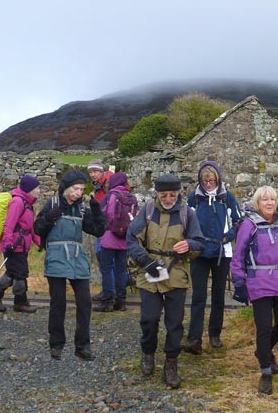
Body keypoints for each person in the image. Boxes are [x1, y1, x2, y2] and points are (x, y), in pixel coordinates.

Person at [127, 173, 205, 388]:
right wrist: (145, 261)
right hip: (148, 274)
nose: (168, 198)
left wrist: (189, 244)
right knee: (149, 319)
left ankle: (171, 362)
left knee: (175, 323)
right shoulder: (148, 210)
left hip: (176, 275)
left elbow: (200, 242)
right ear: (157, 193)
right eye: (164, 194)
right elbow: (132, 239)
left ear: (178, 193)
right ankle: (148, 353)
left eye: (172, 194)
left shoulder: (187, 213)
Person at [230, 185, 278, 395]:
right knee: (263, 327)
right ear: (257, 203)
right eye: (264, 200)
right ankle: (265, 372)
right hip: (259, 283)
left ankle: (263, 351)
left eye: (272, 199)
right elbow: (238, 257)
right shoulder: (249, 225)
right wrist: (239, 283)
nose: (270, 203)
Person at [34, 170, 106, 361]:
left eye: (82, 189)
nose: (79, 193)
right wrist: (49, 218)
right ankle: (56, 344)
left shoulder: (82, 209)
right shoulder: (53, 204)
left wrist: (98, 211)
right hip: (56, 256)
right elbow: (38, 229)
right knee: (58, 303)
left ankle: (82, 346)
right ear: (66, 188)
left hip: (77, 257)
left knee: (85, 302)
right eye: (75, 188)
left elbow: (98, 231)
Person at [183, 161, 242, 354]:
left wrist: (229, 236)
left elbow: (238, 221)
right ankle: (194, 339)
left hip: (221, 252)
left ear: (218, 179)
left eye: (211, 180)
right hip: (199, 253)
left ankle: (215, 335)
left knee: (218, 296)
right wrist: (191, 241)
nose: (208, 184)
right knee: (198, 296)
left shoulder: (227, 197)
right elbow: (185, 221)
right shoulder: (194, 198)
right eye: (204, 180)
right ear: (200, 180)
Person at [0, 175, 42, 313]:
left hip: (21, 244)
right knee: (21, 273)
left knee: (13, 273)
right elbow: (9, 225)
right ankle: (20, 302)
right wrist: (8, 244)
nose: (39, 190)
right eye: (37, 188)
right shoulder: (18, 202)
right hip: (14, 245)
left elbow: (30, 227)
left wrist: (39, 242)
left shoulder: (28, 204)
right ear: (29, 189)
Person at [93, 172, 133, 312]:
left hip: (109, 238)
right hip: (124, 240)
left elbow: (101, 215)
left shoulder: (109, 196)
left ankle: (107, 301)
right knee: (121, 270)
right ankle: (121, 301)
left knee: (107, 268)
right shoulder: (131, 197)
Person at [87, 158, 114, 303]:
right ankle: (109, 290)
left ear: (102, 171)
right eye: (90, 172)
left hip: (108, 227)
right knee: (103, 258)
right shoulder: (98, 186)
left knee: (106, 259)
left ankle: (110, 292)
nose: (92, 174)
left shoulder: (108, 184)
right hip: (102, 226)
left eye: (95, 171)